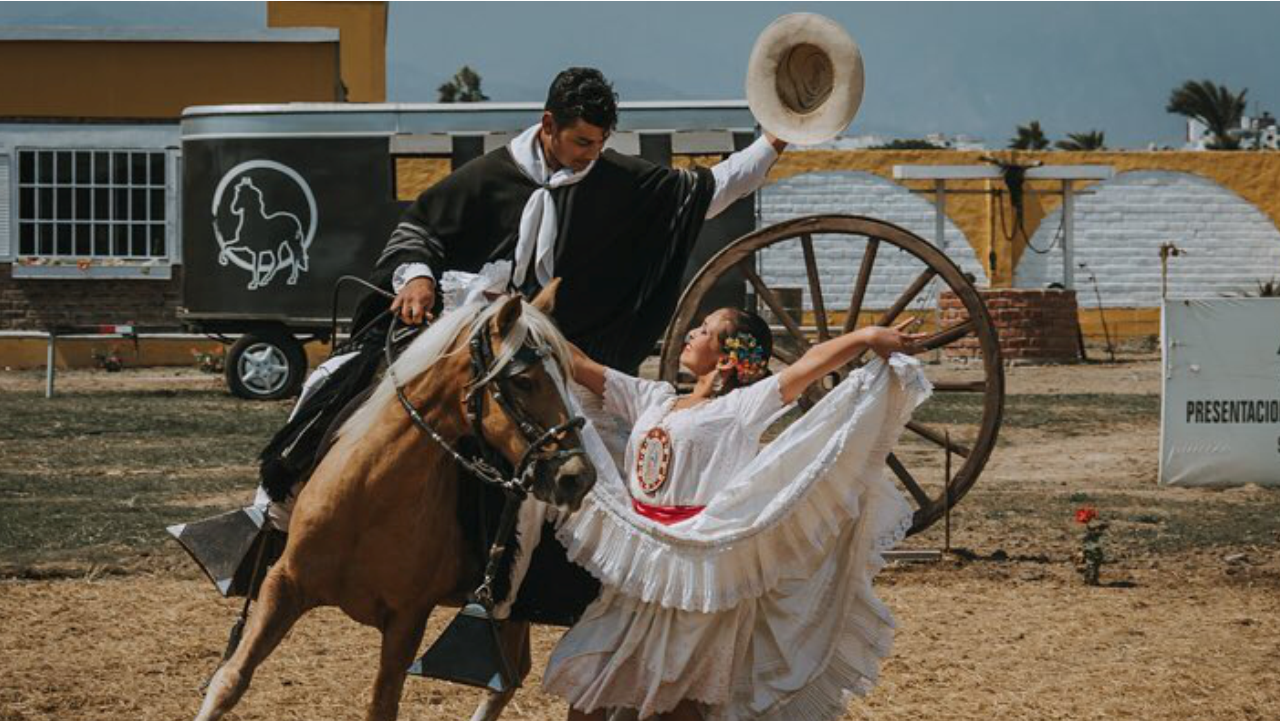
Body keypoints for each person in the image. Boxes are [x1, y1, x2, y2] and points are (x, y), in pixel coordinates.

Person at [253, 67, 787, 619]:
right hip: (458, 342)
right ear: (548, 124)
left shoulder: (615, 181)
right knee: (327, 379)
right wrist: (415, 276)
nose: (590, 154)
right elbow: (420, 231)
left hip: (544, 362)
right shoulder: (488, 176)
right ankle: (269, 520)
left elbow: (710, 190)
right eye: (582, 141)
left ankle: (497, 602)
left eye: (601, 144)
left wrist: (774, 140)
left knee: (542, 481)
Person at [542, 308, 930, 721]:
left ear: (727, 359)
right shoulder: (653, 399)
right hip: (641, 564)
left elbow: (810, 364)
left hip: (699, 569)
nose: (690, 333)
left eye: (704, 330)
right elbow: (580, 365)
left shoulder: (742, 407)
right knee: (587, 681)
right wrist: (521, 317)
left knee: (675, 702)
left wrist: (867, 335)